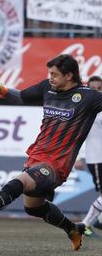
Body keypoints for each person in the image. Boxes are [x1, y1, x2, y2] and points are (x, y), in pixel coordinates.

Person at [0, 54, 102, 251]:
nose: (50, 77)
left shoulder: (89, 97)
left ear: (69, 75)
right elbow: (22, 97)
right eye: (49, 73)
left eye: (54, 74)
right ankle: (73, 229)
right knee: (33, 207)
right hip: (36, 158)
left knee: (21, 182)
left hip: (56, 165)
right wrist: (1, 89)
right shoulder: (47, 88)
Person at [74, 75, 102, 236]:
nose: (96, 92)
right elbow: (76, 138)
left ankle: (94, 222)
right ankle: (85, 225)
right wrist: (77, 158)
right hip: (97, 159)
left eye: (99, 89)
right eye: (93, 89)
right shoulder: (85, 112)